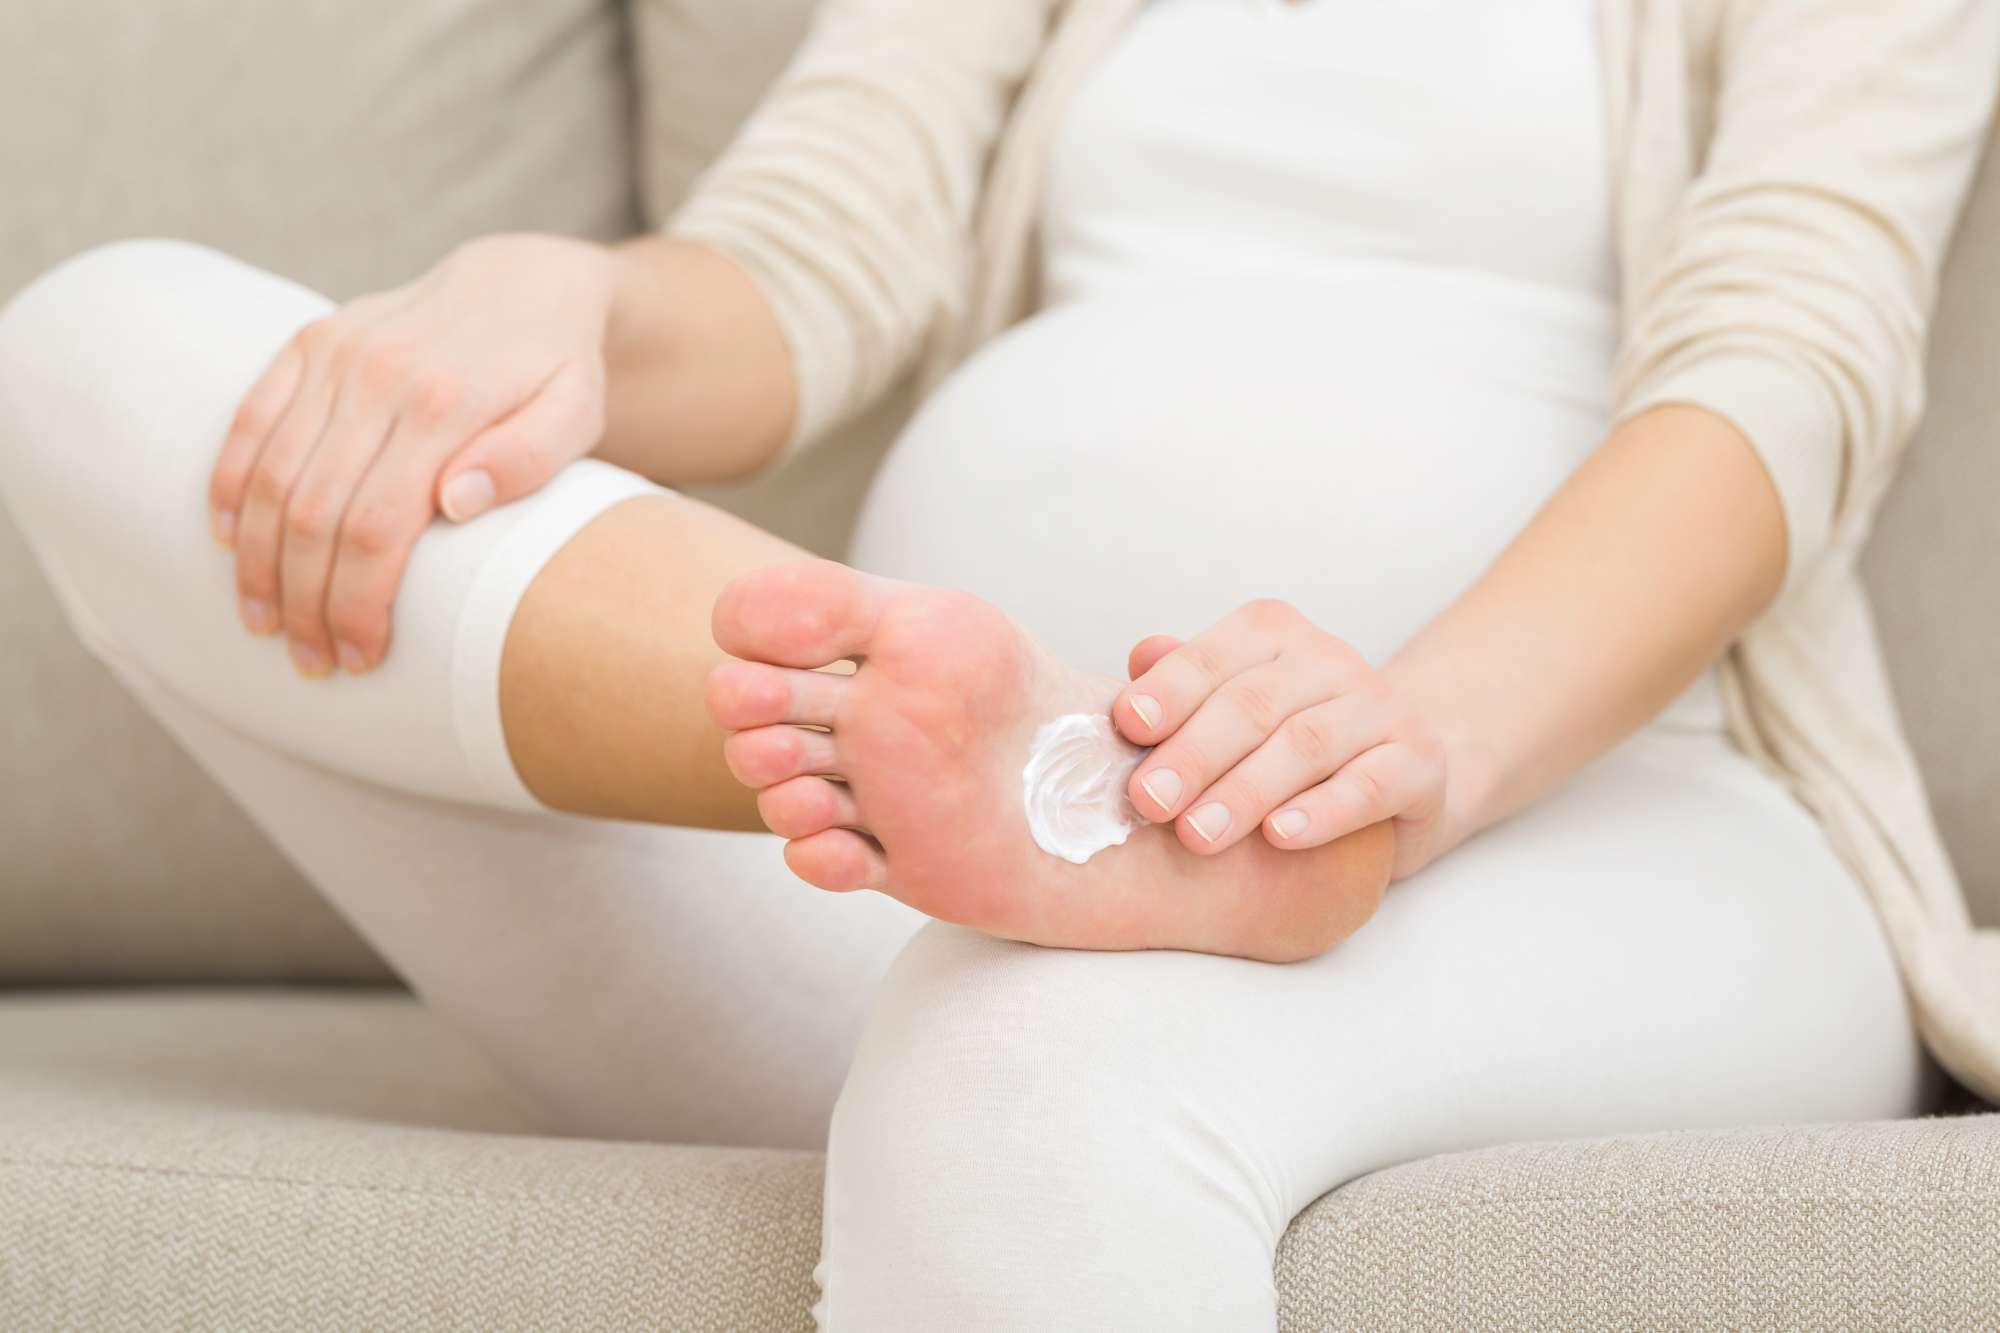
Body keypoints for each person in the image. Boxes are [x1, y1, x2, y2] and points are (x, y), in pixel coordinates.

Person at [2, 0, 1995, 1326]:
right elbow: (817, 248)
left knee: (1031, 1070)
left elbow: (1788, 359)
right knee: (104, 354)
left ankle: (1117, 815)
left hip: (1620, 834)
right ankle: (994, 770)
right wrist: (576, 302)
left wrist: (1399, 763)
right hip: (896, 895)